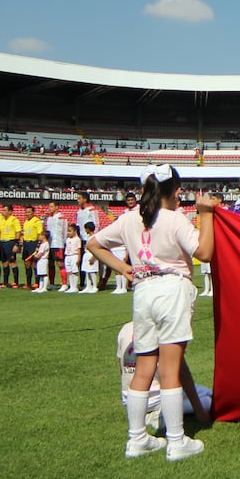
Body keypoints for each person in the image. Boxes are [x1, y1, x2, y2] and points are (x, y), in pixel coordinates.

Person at [87, 163, 215, 461]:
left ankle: (137, 439)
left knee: (145, 366)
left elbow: (94, 244)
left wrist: (123, 268)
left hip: (143, 291)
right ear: (176, 191)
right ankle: (176, 440)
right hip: (172, 289)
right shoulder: (175, 219)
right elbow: (205, 252)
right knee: (170, 367)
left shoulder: (131, 218)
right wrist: (206, 215)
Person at [116, 322, 211, 431]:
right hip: (156, 398)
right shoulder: (163, 331)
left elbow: (121, 368)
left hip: (130, 396)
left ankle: (141, 415)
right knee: (208, 401)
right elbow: (180, 372)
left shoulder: (125, 329)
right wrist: (199, 411)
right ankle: (158, 417)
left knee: (207, 392)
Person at [0, 204, 22, 288]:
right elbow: (0, 231)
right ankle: (5, 282)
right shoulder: (1, 220)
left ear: (10, 211)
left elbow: (18, 232)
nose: (3, 212)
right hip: (2, 242)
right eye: (3, 210)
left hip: (10, 242)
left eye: (5, 210)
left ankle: (16, 282)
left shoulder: (14, 220)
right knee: (4, 262)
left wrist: (16, 244)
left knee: (12, 262)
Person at [45, 201, 67, 290]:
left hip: (58, 243)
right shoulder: (49, 218)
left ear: (56, 207)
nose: (50, 208)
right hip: (50, 244)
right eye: (49, 206)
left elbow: (64, 230)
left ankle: (64, 284)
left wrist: (64, 241)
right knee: (50, 264)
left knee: (60, 263)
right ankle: (52, 283)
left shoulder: (61, 217)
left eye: (51, 206)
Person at [21, 205, 43, 289]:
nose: (27, 214)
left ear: (33, 212)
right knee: (27, 263)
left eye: (29, 212)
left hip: (33, 243)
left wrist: (38, 245)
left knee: (34, 263)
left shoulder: (37, 221)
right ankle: (28, 283)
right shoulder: (26, 222)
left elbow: (39, 234)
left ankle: (37, 282)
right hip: (26, 243)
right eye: (26, 212)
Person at [79, 221, 99, 293]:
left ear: (88, 229)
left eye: (85, 229)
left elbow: (97, 247)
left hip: (92, 254)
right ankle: (88, 286)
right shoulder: (88, 237)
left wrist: (94, 257)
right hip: (86, 254)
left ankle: (94, 286)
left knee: (92, 272)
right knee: (87, 271)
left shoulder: (94, 237)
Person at [61, 225, 81, 293]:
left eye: (70, 231)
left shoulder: (77, 239)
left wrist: (78, 258)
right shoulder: (68, 239)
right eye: (68, 231)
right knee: (69, 272)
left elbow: (79, 250)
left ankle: (75, 286)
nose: (68, 232)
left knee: (74, 272)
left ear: (75, 231)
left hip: (74, 256)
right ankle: (71, 286)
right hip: (68, 256)